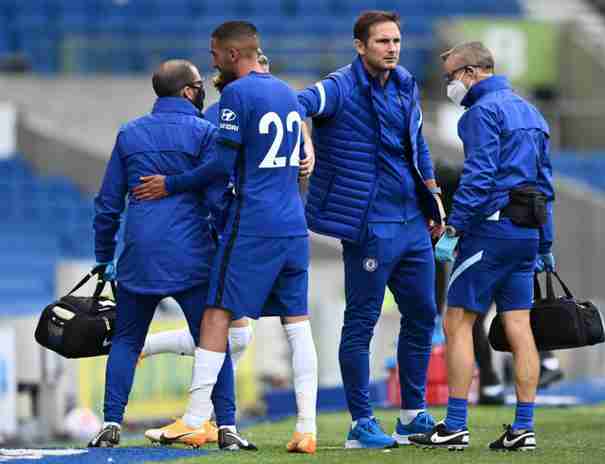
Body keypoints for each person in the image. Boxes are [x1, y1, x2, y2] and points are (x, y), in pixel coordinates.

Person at [133, 21, 318, 454]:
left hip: (253, 225)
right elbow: (297, 153)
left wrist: (171, 184)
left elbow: (220, 165)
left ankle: (196, 419)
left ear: (233, 54)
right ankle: (306, 429)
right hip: (294, 225)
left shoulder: (236, 95)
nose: (212, 61)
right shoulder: (288, 93)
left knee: (215, 315)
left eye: (215, 53)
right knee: (297, 324)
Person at [297, 10, 445, 449]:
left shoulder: (405, 84)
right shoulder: (339, 86)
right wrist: (304, 138)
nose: (392, 48)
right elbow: (296, 105)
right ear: (360, 46)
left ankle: (411, 415)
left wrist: (433, 196)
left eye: (396, 41)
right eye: (382, 41)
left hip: (412, 221)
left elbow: (418, 144)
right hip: (368, 225)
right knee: (362, 321)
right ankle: (361, 423)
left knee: (423, 314)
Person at [410, 41, 555, 451]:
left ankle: (455, 424)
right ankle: (523, 428)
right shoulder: (532, 112)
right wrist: (545, 242)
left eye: (451, 77)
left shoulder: (480, 113)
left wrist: (454, 228)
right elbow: (545, 184)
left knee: (457, 322)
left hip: (490, 231)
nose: (450, 85)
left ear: (471, 73)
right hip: (527, 232)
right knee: (519, 327)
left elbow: (479, 176)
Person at [88, 59, 239, 448]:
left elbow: (108, 204)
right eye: (199, 85)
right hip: (192, 255)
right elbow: (217, 199)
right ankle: (227, 427)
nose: (203, 90)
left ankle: (111, 423)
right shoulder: (205, 133)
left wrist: (104, 255)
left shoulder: (130, 133)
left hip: (139, 255)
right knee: (212, 339)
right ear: (188, 91)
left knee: (126, 341)